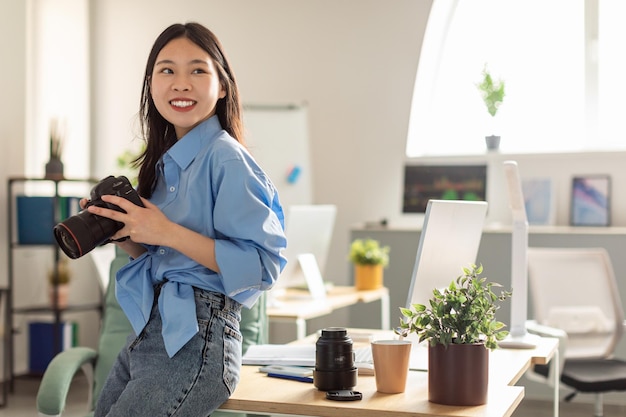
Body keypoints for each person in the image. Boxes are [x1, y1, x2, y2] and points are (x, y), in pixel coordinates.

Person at [85, 22, 287, 416]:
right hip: (152, 331)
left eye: (197, 70)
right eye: (167, 70)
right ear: (150, 83)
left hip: (198, 337)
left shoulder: (226, 158)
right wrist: (125, 234)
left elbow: (263, 265)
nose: (181, 83)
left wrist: (166, 231)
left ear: (223, 85)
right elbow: (166, 256)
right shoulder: (166, 165)